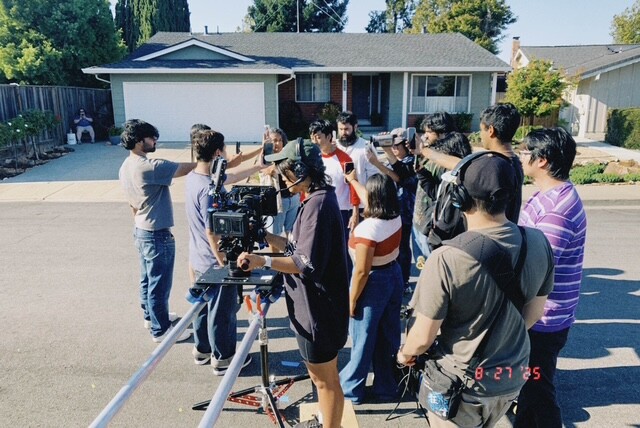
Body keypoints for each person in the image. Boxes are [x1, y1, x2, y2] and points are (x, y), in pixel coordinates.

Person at [397, 153, 555, 427]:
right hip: (511, 378)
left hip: (461, 385)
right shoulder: (538, 242)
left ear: (460, 198)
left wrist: (404, 354)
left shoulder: (446, 258)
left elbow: (422, 338)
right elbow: (533, 315)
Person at [237, 139, 349, 428]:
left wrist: (262, 260)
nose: (282, 178)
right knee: (324, 378)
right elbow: (298, 249)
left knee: (324, 381)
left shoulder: (317, 206)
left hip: (317, 312)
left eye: (285, 171)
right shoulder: (319, 198)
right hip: (319, 309)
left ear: (300, 171)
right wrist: (266, 238)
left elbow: (303, 263)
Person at [514, 128, 587, 428]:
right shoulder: (544, 195)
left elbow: (537, 269)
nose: (520, 156)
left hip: (542, 319)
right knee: (528, 389)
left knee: (538, 389)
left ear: (541, 160)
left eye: (524, 151)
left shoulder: (558, 210)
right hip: (537, 315)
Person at [186, 128, 267, 373]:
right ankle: (223, 358)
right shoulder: (208, 190)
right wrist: (223, 262)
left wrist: (257, 167)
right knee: (222, 312)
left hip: (198, 256)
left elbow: (228, 178)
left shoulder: (195, 177)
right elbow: (212, 231)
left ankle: (202, 349)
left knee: (203, 307)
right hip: (214, 259)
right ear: (218, 153)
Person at [118, 119, 194, 343]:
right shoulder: (150, 166)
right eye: (152, 137)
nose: (155, 141)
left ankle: (150, 317)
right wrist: (209, 159)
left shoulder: (126, 165)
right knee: (159, 284)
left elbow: (131, 204)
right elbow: (187, 168)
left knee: (147, 279)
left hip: (140, 228)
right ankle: (160, 330)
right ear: (139, 141)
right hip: (156, 232)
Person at [339, 173, 404, 404]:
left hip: (372, 283)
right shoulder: (394, 216)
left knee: (363, 338)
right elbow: (369, 196)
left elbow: (361, 271)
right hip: (393, 274)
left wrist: (352, 300)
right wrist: (352, 180)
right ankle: (387, 386)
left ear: (374, 198)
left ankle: (351, 389)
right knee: (388, 335)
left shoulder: (367, 229)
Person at [421, 103, 524, 223]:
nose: (480, 135)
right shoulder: (515, 162)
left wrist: (424, 151)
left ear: (491, 131)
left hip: (491, 233)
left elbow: (461, 164)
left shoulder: (493, 166)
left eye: (481, 130)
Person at [365, 132, 416, 286]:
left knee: (404, 247)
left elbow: (399, 177)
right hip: (394, 210)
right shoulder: (394, 161)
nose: (393, 148)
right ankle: (398, 279)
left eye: (397, 145)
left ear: (405, 145)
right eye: (391, 145)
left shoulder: (411, 161)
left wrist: (377, 162)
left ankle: (404, 281)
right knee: (395, 246)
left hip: (407, 210)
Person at [412, 113, 462, 258]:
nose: (425, 136)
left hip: (431, 228)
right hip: (419, 222)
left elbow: (438, 193)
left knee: (430, 268)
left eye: (429, 132)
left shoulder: (447, 159)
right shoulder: (431, 152)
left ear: (442, 133)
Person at [309, 119, 360, 252]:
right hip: (317, 210)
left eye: (318, 137)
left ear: (329, 137)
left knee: (340, 249)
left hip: (340, 211)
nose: (314, 141)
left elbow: (353, 186)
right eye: (312, 138)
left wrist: (355, 212)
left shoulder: (345, 159)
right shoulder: (311, 158)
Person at [259, 127, 301, 239]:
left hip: (293, 199)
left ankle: (290, 251)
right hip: (277, 202)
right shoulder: (265, 158)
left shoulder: (288, 155)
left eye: (279, 140)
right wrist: (264, 149)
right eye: (273, 141)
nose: (277, 143)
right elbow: (266, 170)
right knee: (274, 236)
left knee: (293, 234)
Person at [336, 111, 379, 198]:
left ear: (355, 127)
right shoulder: (333, 147)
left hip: (360, 200)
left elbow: (373, 177)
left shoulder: (366, 147)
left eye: (346, 129)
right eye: (340, 129)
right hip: (337, 201)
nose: (343, 133)